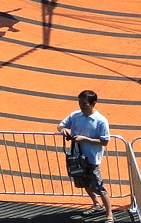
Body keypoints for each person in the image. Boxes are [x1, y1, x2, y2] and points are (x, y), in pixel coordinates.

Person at [58, 90, 113, 221]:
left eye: (84, 103)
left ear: (93, 103)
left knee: (99, 186)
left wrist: (85, 139)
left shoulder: (101, 121)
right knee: (84, 183)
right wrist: (63, 129)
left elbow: (105, 141)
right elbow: (60, 125)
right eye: (79, 102)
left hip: (92, 159)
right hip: (76, 157)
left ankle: (109, 214)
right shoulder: (75, 115)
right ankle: (96, 204)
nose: (81, 105)